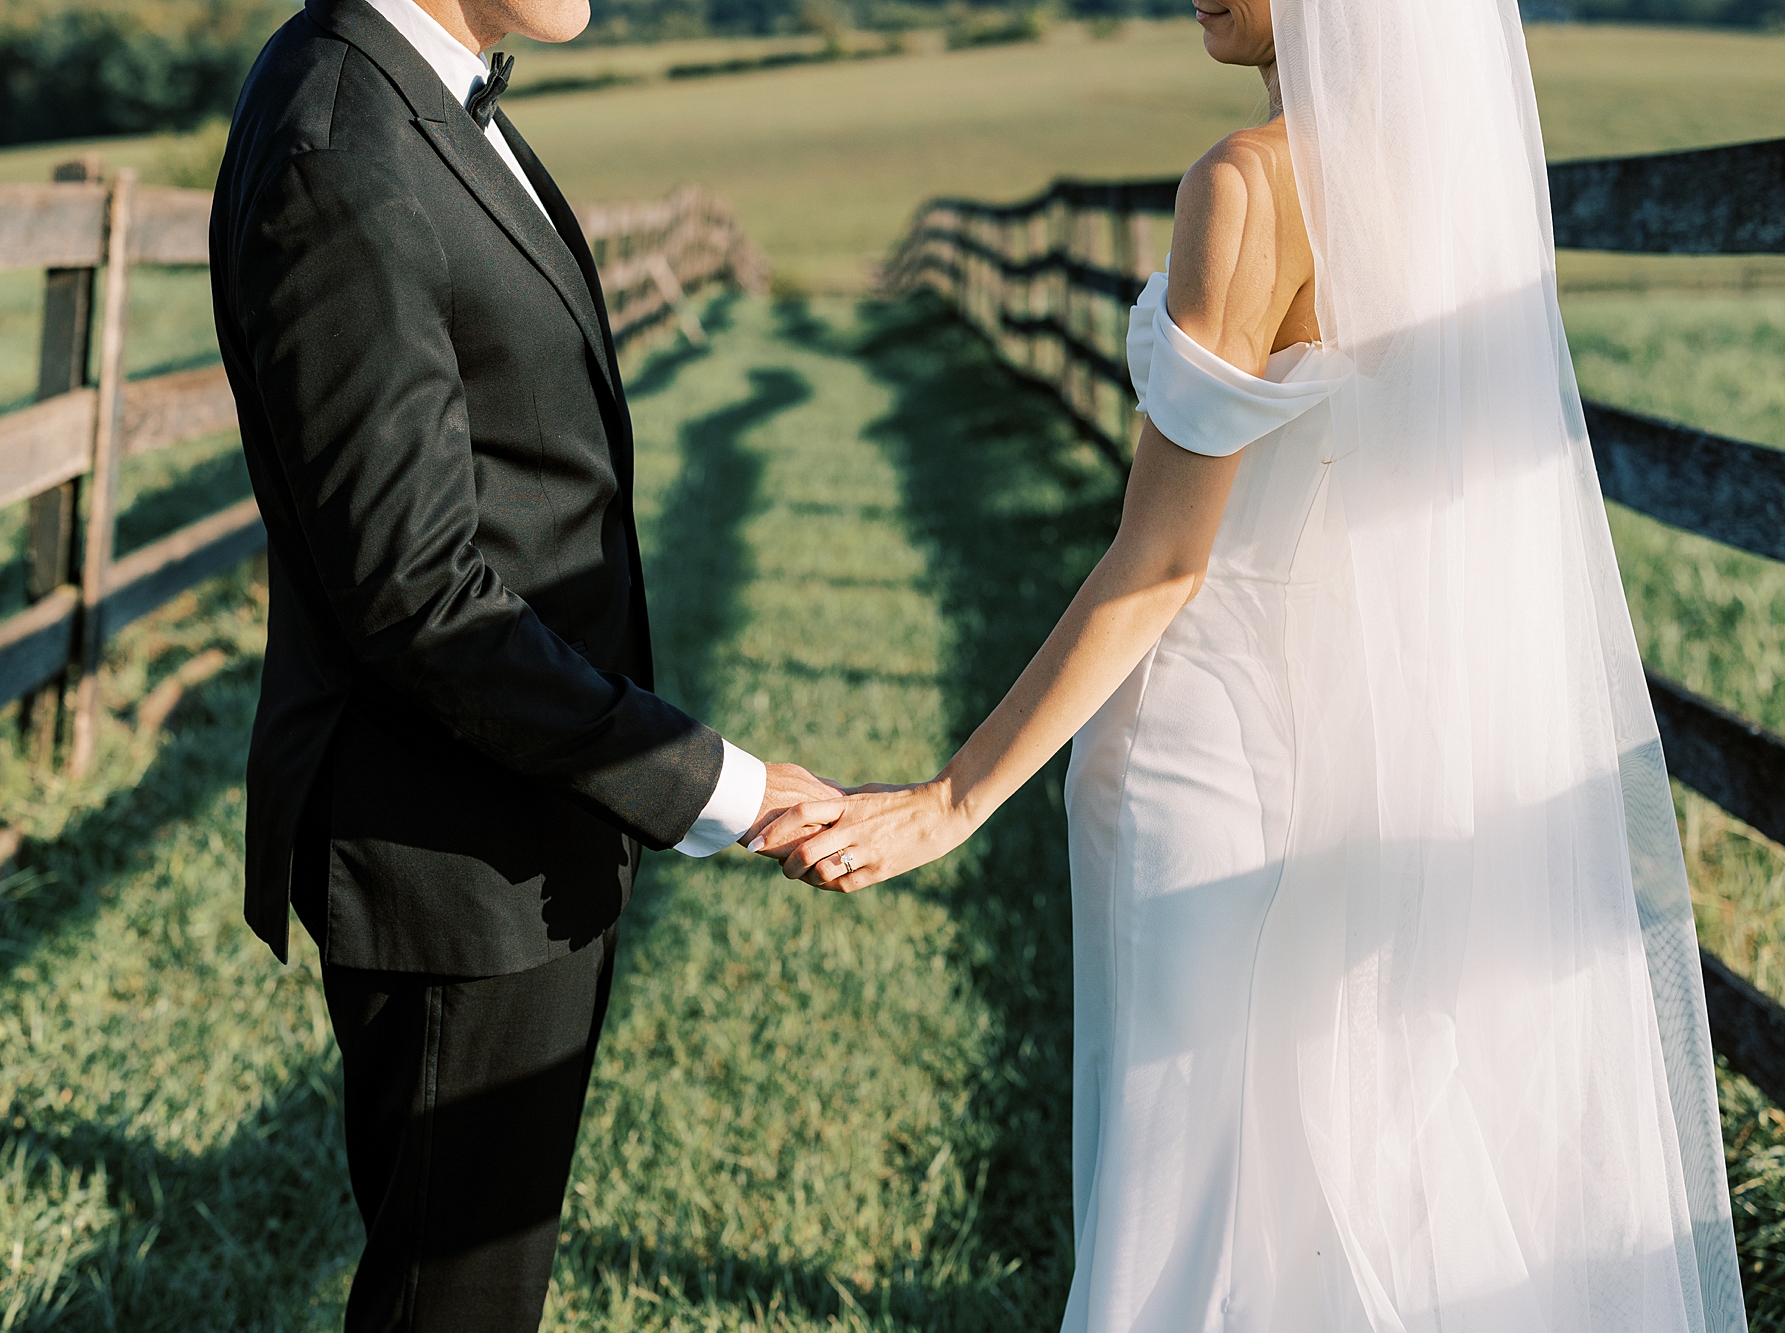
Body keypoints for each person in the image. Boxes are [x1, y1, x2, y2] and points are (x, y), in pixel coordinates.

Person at [753, 0, 1747, 1328]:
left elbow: (1161, 562)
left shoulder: (1246, 185)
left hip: (1205, 745)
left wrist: (948, 800)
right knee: (1360, 1155)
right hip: (1387, 741)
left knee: (1191, 1190)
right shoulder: (1459, 187)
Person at [208, 0, 839, 1326]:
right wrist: (711, 782)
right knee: (456, 1302)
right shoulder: (343, 146)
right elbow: (420, 594)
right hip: (447, 850)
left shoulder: (417, 92)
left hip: (515, 814)